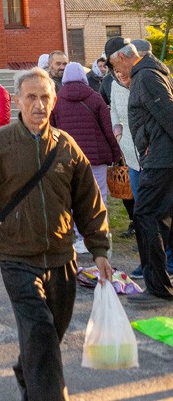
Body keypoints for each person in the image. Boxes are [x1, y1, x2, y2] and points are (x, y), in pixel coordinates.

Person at [0, 67, 112, 401]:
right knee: (39, 328)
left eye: (45, 97)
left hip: (61, 256)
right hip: (16, 256)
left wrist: (99, 249)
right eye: (31, 97)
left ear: (54, 100)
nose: (39, 105)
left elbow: (89, 202)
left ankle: (27, 369)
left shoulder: (67, 147)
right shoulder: (1, 143)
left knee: (50, 331)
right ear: (18, 100)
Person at [105, 36, 173, 303]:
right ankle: (159, 283)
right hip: (159, 157)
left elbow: (168, 115)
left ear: (123, 56)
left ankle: (156, 286)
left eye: (114, 64)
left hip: (160, 160)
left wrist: (149, 149)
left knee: (144, 214)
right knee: (159, 218)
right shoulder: (147, 74)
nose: (115, 72)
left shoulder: (145, 77)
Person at [50, 61, 121, 253]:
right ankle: (100, 234)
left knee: (73, 198)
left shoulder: (56, 101)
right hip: (95, 158)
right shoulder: (95, 98)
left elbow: (52, 130)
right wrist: (116, 153)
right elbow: (108, 130)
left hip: (68, 159)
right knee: (99, 196)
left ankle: (81, 238)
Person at [109, 60, 138, 242]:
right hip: (127, 151)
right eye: (116, 71)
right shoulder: (113, 84)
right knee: (134, 196)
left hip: (148, 151)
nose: (119, 74)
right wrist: (117, 131)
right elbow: (113, 109)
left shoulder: (143, 82)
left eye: (122, 70)